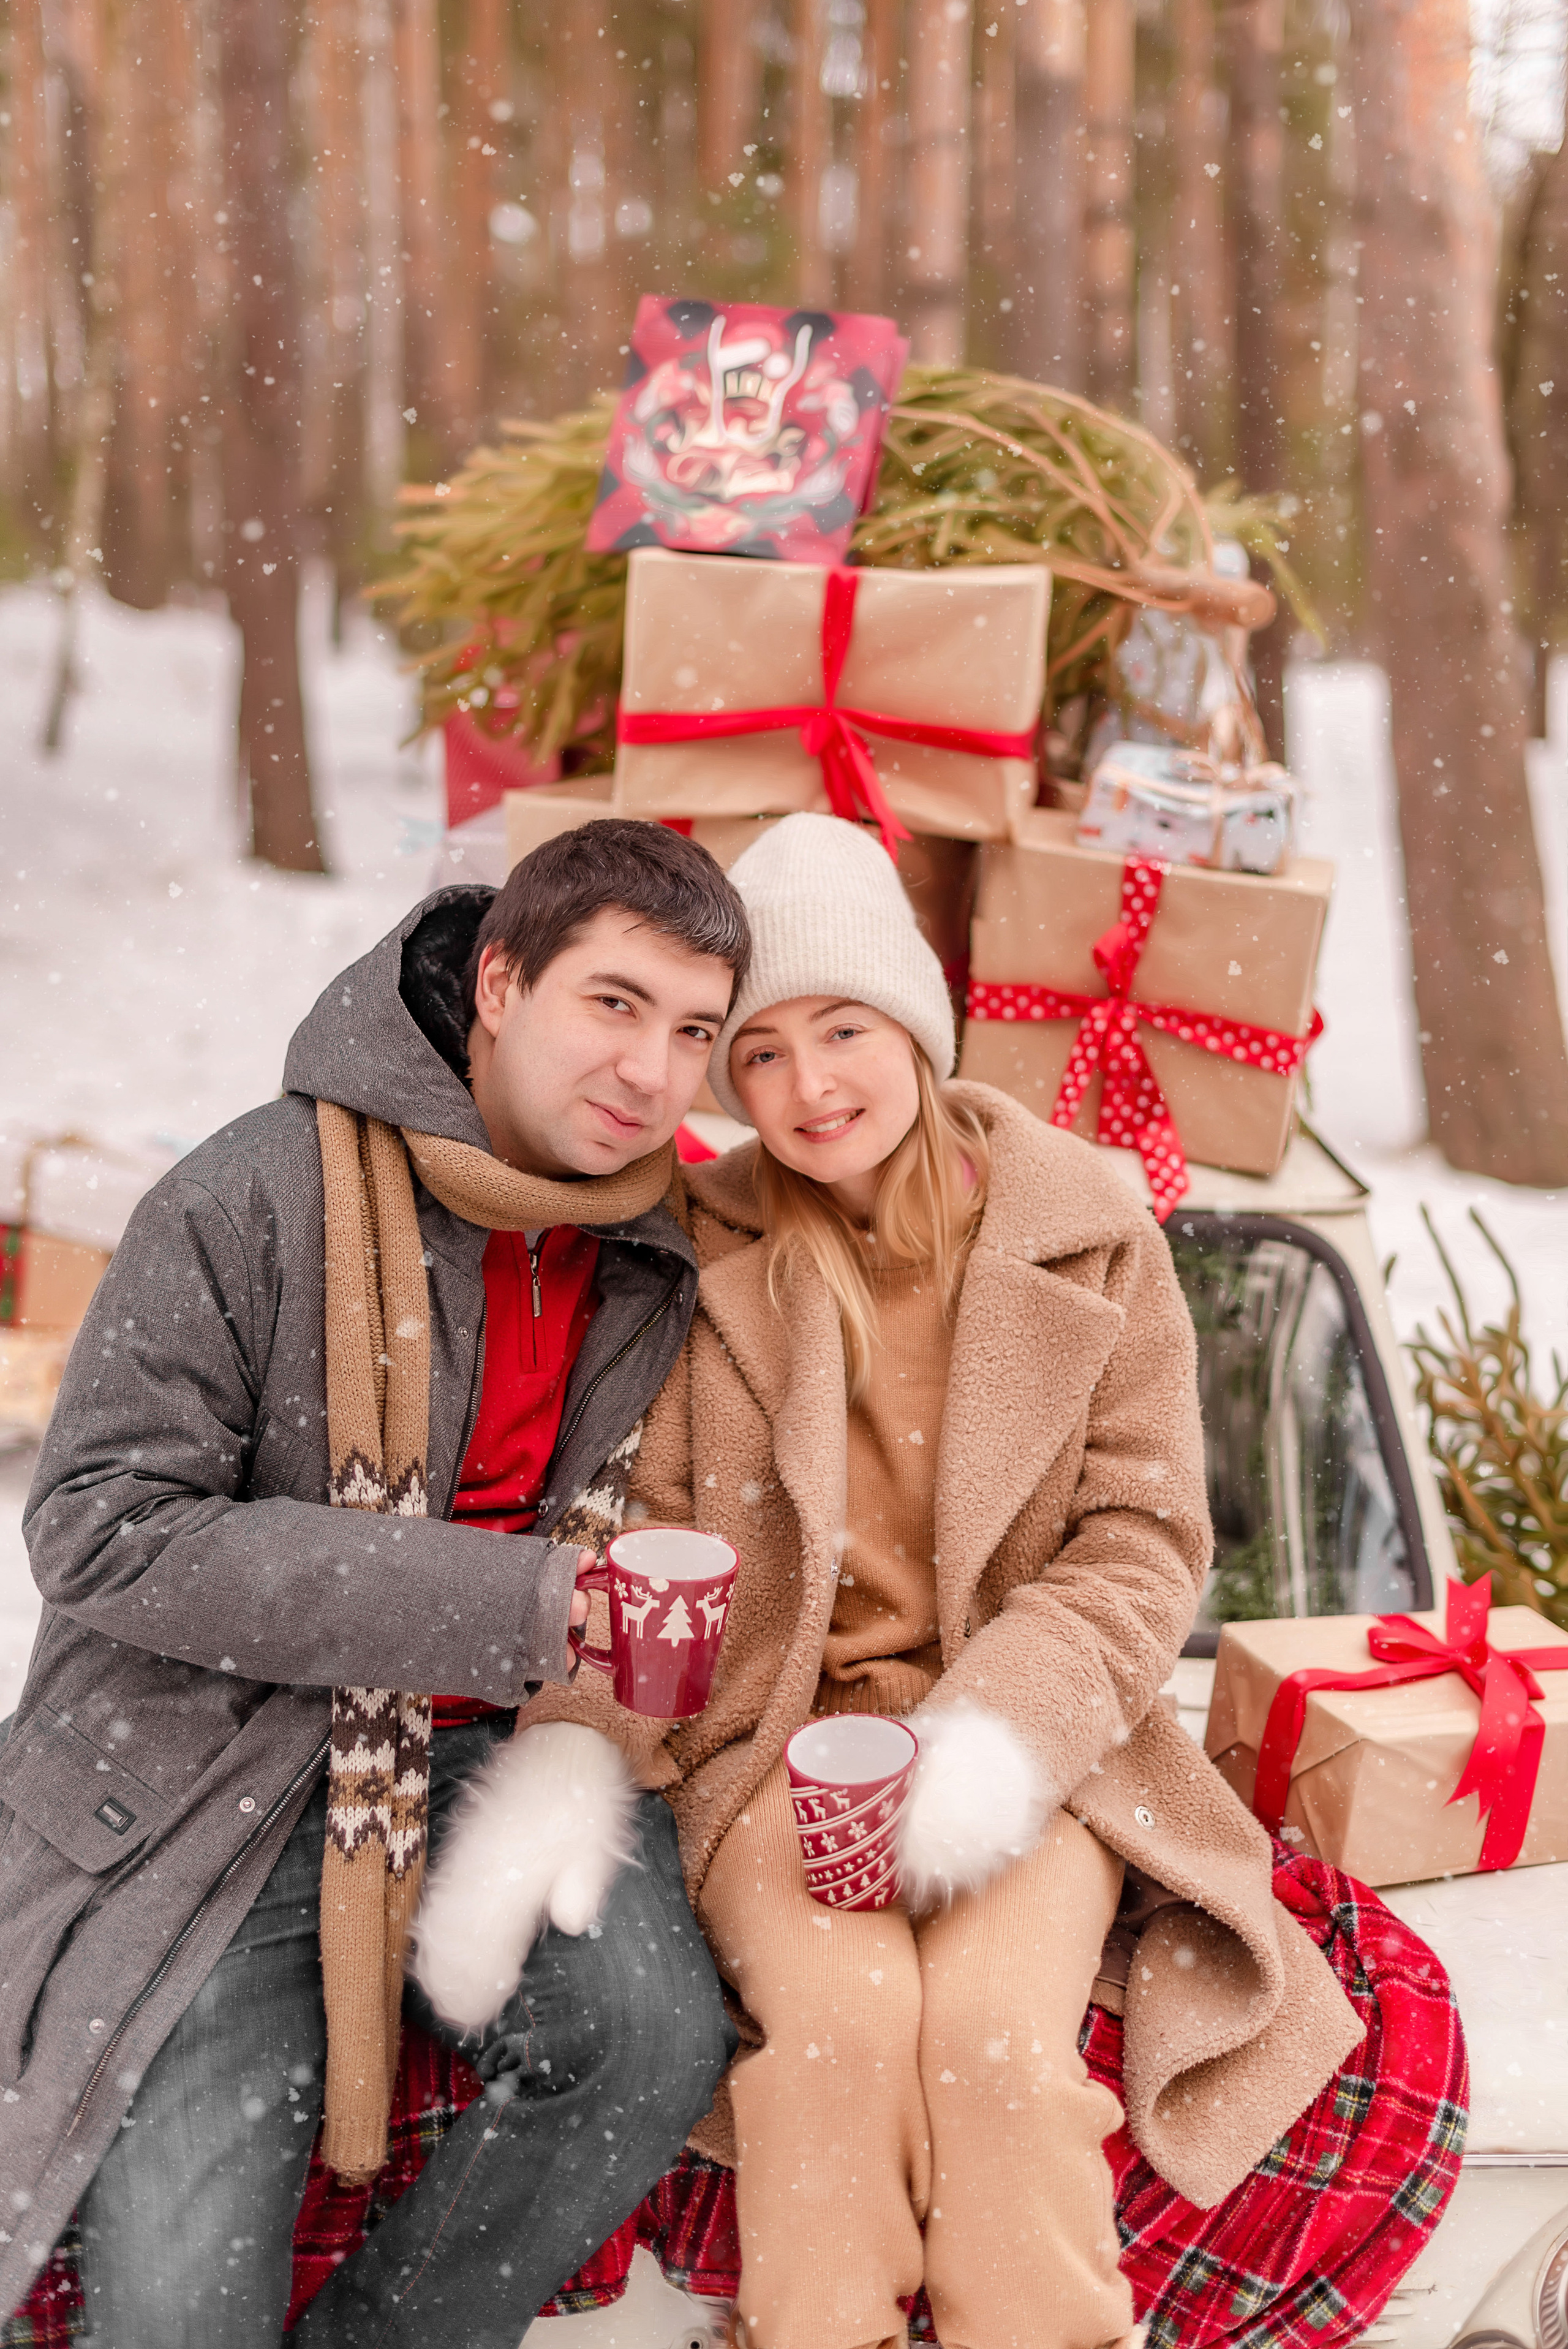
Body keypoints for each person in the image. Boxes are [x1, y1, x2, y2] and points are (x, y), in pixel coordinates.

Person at [418, 812, 1365, 2349]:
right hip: (780, 1743)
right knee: (839, 2039)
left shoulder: (1085, 1234)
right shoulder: (695, 1250)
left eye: (843, 1031)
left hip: (1025, 1752)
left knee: (995, 2046)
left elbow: (1140, 1544)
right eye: (765, 1054)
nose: (808, 1090)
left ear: (914, 1029)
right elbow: (646, 1536)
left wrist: (989, 1743)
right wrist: (585, 1739)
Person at [0, 820, 747, 2349]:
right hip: (221, 1772)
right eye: (612, 1004)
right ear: (496, 980)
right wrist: (519, 1597)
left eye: (694, 1033)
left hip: (494, 1755)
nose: (653, 1072)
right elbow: (99, 1525)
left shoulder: (666, 1248)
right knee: (178, 2314)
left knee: (648, 2040)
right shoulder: (252, 1196)